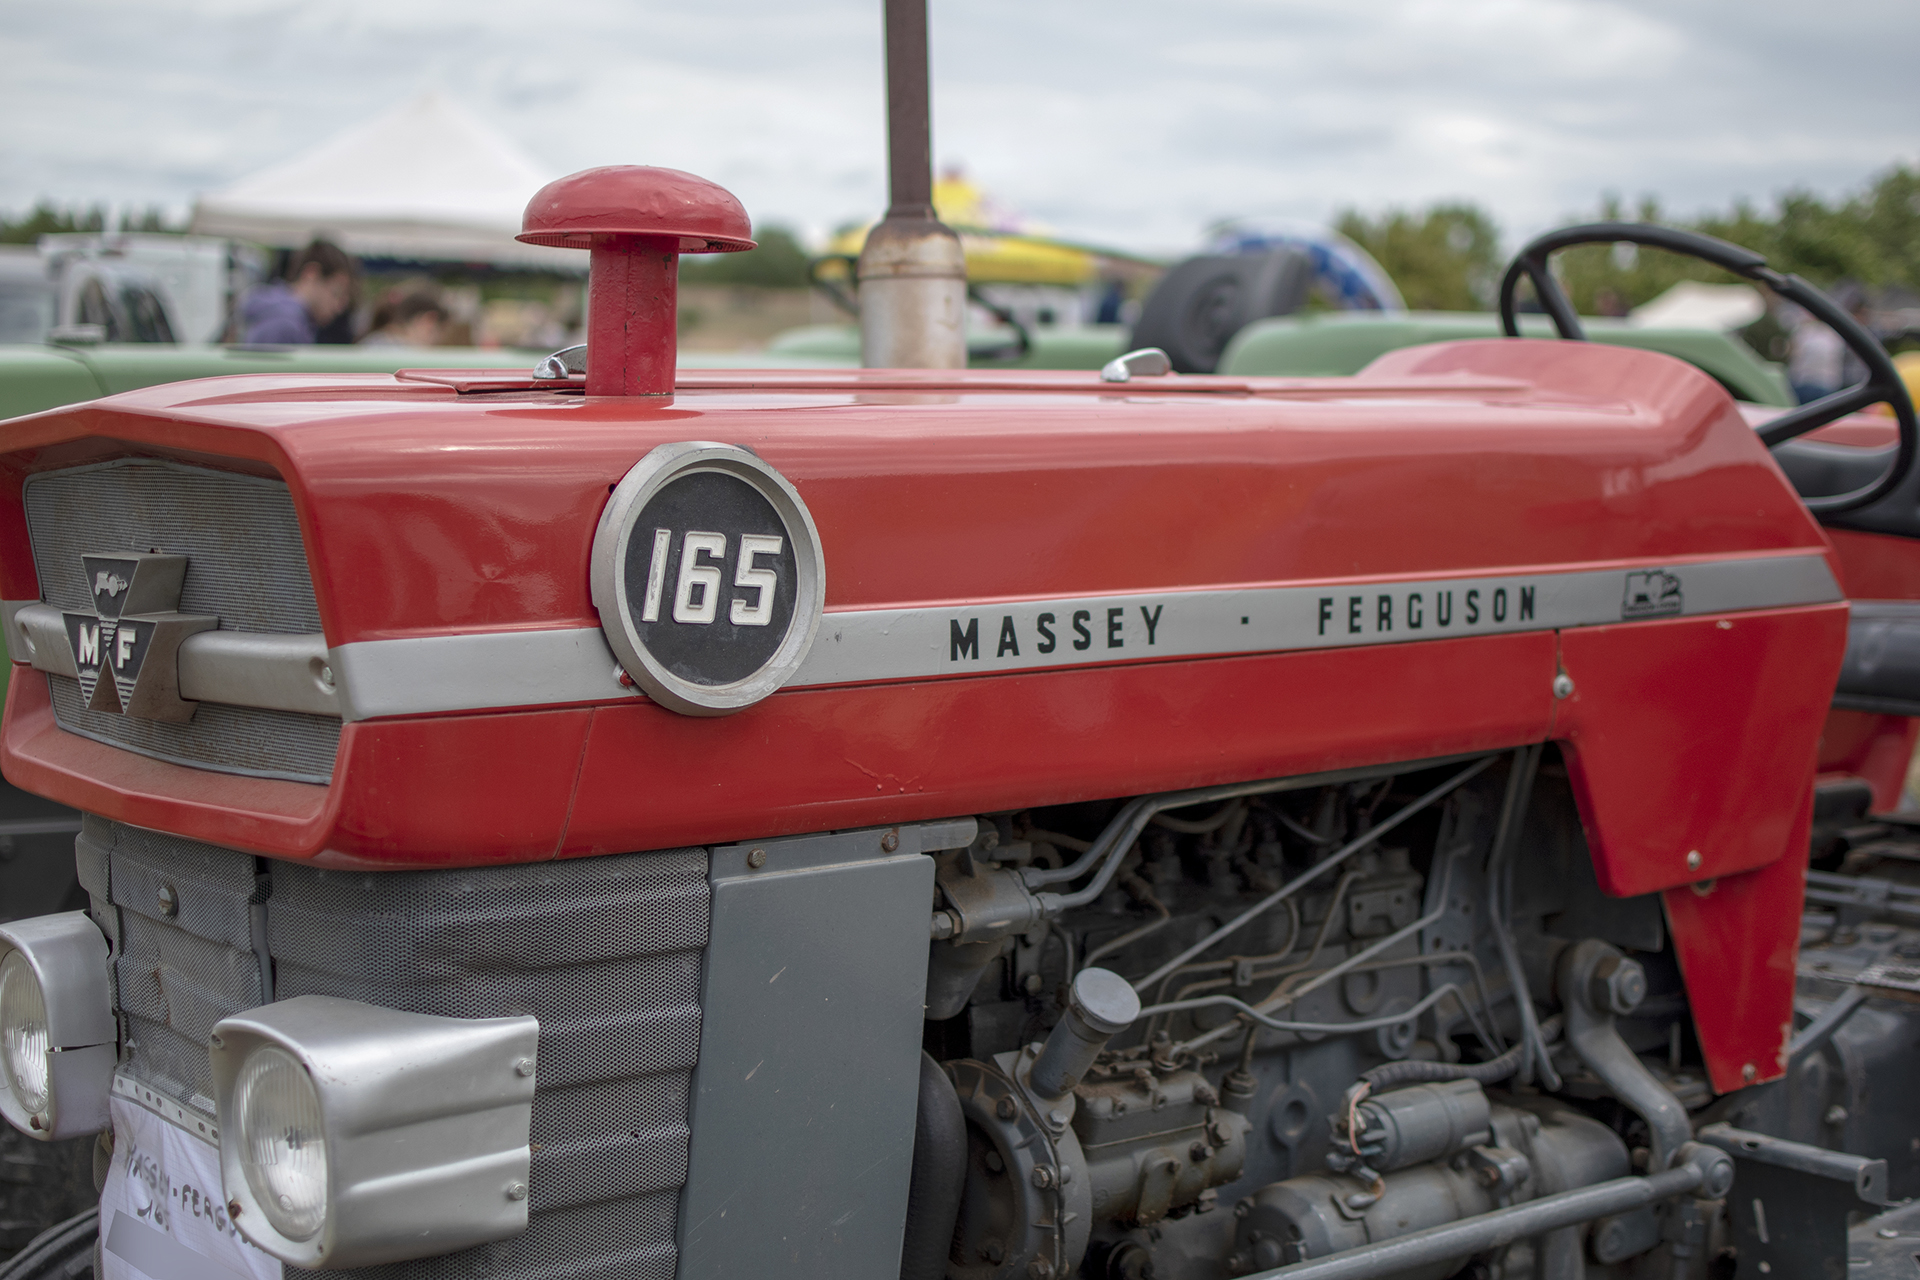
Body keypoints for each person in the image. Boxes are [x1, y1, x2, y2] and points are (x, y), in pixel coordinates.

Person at [239, 240, 356, 344]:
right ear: (312, 274)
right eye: (336, 292)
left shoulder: (288, 319)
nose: (340, 307)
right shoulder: (286, 325)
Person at [360, 291, 446, 347]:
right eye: (439, 331)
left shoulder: (372, 341)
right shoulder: (412, 356)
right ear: (429, 321)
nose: (438, 339)